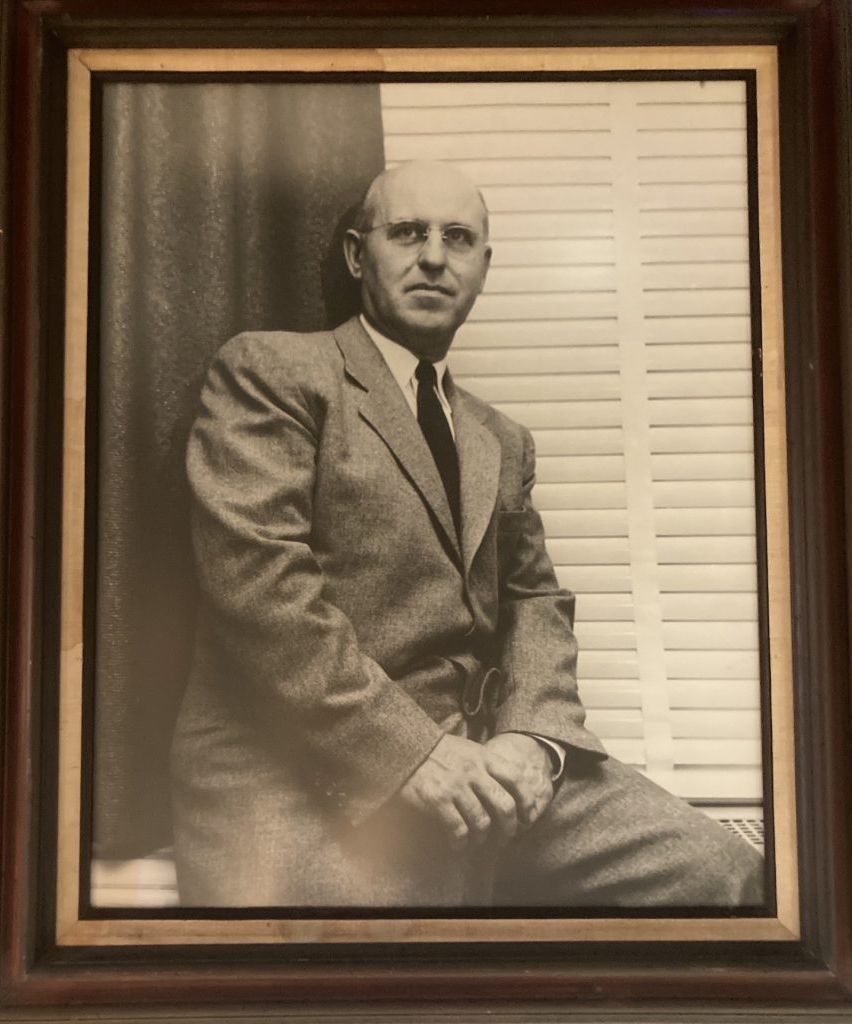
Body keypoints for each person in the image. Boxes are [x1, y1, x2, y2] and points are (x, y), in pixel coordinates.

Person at [170, 160, 764, 908]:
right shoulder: (273, 371)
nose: (432, 256)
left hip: (482, 760)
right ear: (359, 256)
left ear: (484, 266)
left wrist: (531, 739)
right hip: (299, 774)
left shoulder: (500, 439)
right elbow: (258, 588)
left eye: (458, 238)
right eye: (407, 232)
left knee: (725, 876)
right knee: (367, 970)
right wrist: (410, 753)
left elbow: (535, 603)